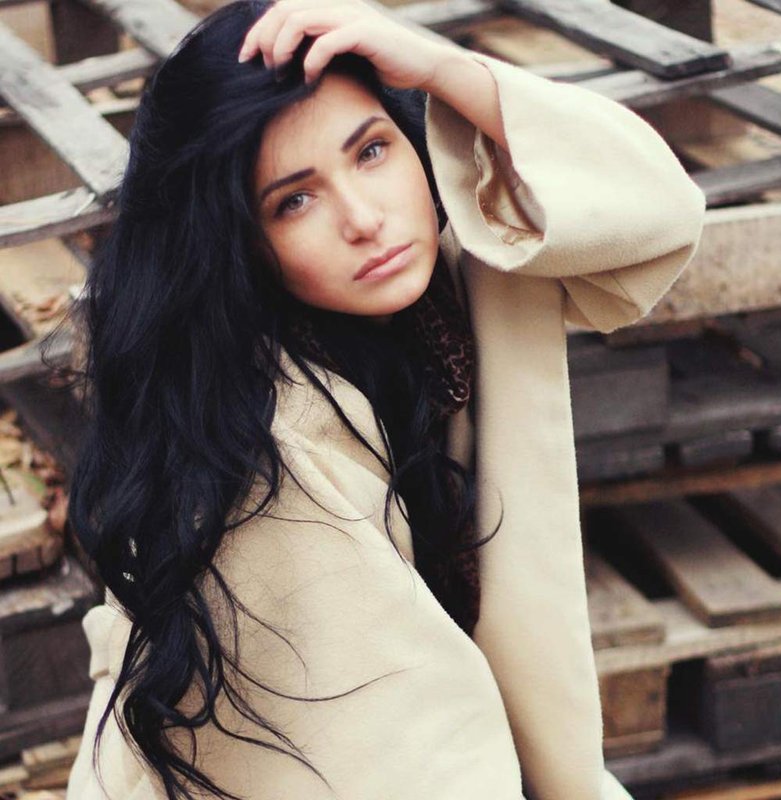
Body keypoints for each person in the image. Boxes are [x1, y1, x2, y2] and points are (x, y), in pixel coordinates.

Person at [62, 1, 706, 798]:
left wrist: (441, 68)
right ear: (240, 247)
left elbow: (659, 213)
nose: (364, 220)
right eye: (294, 200)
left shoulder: (454, 296)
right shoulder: (265, 449)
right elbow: (400, 759)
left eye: (371, 151)